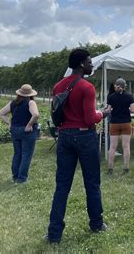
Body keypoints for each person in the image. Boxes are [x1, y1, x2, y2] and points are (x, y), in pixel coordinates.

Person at [46, 48, 110, 244]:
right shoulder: (86, 87)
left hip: (64, 136)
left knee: (62, 186)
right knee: (92, 183)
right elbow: (90, 119)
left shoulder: (58, 86)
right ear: (82, 64)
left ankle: (54, 233)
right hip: (84, 136)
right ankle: (96, 224)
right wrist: (104, 113)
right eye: (90, 62)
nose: (92, 65)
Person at [0, 84, 39, 183]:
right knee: (26, 154)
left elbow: (1, 113)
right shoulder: (31, 102)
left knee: (17, 154)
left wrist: (9, 123)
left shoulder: (13, 102)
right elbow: (36, 114)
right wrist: (29, 125)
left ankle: (15, 176)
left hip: (15, 130)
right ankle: (22, 178)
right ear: (30, 93)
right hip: (26, 131)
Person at [107, 78, 134, 174]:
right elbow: (133, 110)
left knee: (112, 147)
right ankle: (126, 168)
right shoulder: (129, 96)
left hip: (114, 123)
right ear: (125, 87)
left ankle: (110, 168)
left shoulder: (111, 97)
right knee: (126, 146)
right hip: (126, 122)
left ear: (116, 85)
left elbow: (108, 110)